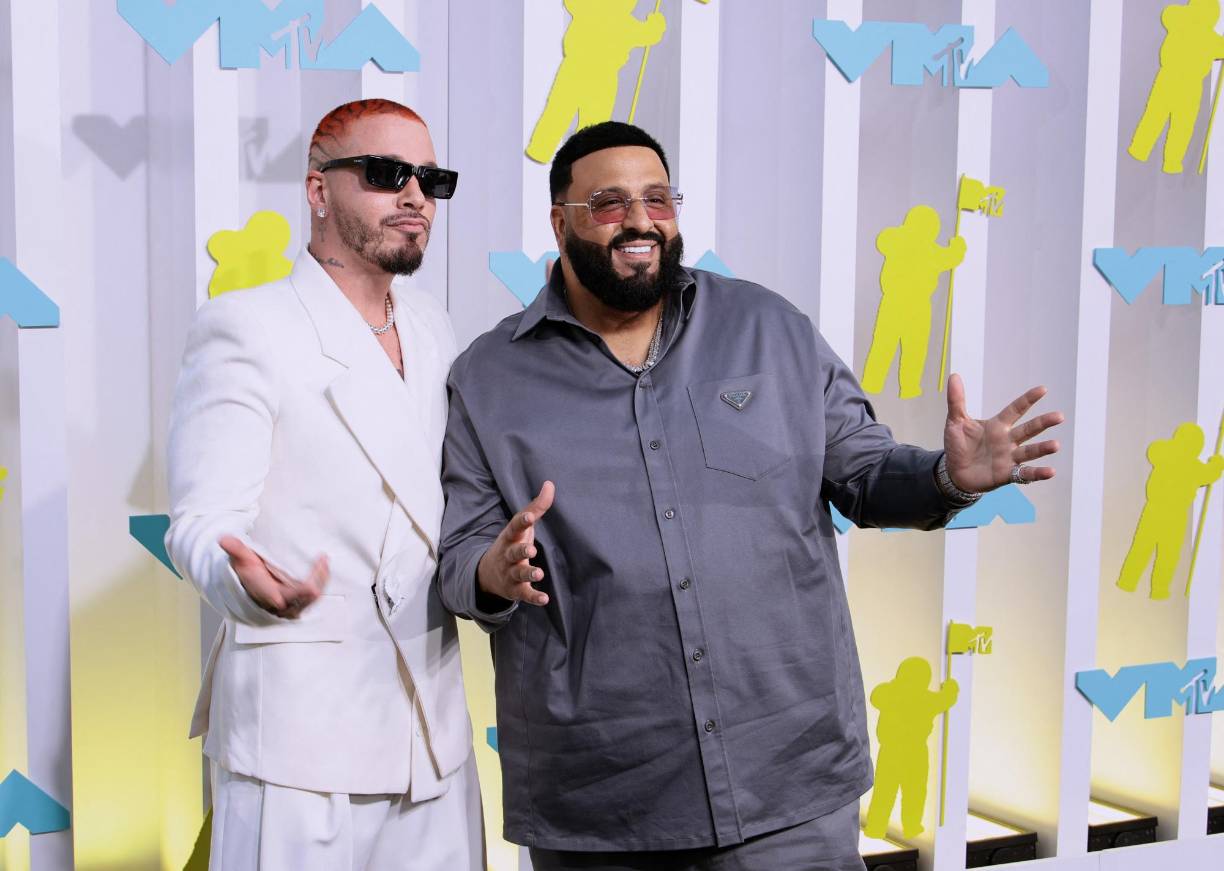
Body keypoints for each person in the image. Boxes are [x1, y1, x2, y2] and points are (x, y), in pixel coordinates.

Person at [437, 121, 1064, 870]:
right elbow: (460, 554)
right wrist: (493, 572)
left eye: (658, 199)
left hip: (790, 783)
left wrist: (949, 477)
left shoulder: (770, 330)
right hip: (602, 803)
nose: (640, 220)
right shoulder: (488, 377)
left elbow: (864, 475)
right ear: (559, 222)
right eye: (608, 203)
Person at [165, 98, 482, 870]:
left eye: (431, 179)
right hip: (298, 742)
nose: (414, 195)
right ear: (317, 190)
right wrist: (243, 584)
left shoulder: (435, 325)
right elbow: (201, 520)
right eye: (386, 173)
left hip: (432, 727)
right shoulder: (246, 326)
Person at [1117, 421, 1224, 599]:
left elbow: (1154, 450)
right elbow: (1210, 473)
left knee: (1150, 550)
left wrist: (1216, 464)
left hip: (1163, 511)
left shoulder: (1171, 455)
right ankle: (1153, 588)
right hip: (1168, 512)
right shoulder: (1185, 462)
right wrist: (1217, 463)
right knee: (1164, 553)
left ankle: (1133, 583)